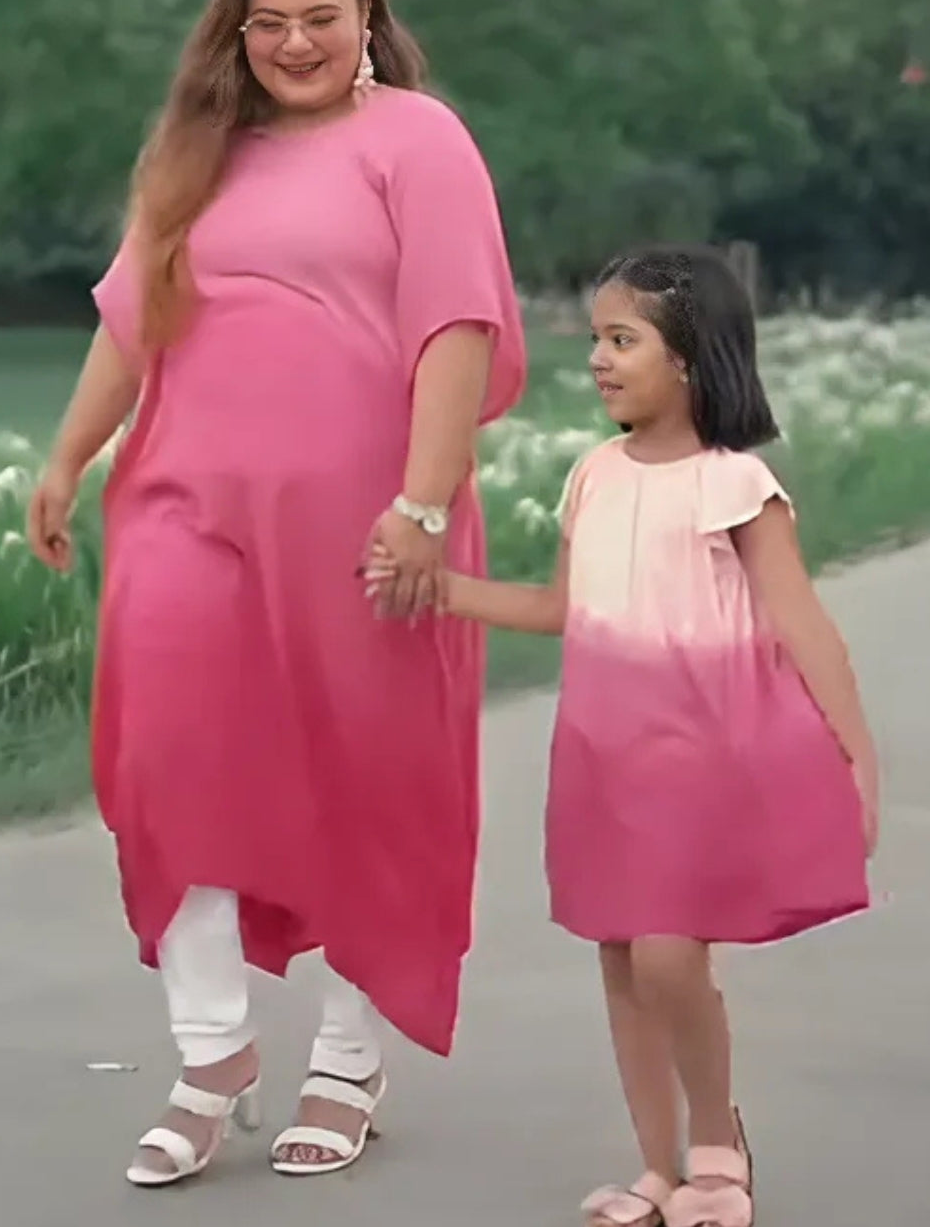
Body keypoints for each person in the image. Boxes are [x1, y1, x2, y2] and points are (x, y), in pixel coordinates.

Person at [25, 0, 525, 1188]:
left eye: (320, 18)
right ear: (234, 33)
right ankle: (213, 1053)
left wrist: (423, 506)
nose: (295, 43)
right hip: (184, 501)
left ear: (367, 16)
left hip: (369, 515)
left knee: (370, 770)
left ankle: (348, 1061)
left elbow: (458, 325)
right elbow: (132, 321)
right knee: (166, 752)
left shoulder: (417, 139)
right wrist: (68, 456)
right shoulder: (199, 153)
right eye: (268, 24)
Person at [367, 244, 876, 1227]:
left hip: (700, 758)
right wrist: (440, 590)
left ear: (687, 357)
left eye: (621, 339)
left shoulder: (736, 487)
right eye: (598, 338)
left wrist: (854, 754)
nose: (598, 358)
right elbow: (562, 607)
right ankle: (656, 1166)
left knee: (667, 956)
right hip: (602, 757)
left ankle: (717, 1145)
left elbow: (802, 622)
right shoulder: (594, 475)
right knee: (621, 957)